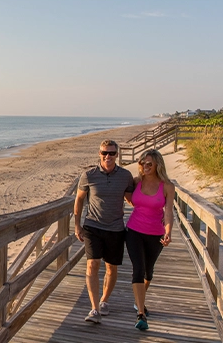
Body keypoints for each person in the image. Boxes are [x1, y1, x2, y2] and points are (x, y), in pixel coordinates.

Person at [74, 139, 135, 324]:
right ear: (99, 154)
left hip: (116, 228)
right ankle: (94, 309)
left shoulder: (125, 176)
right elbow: (78, 200)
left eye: (111, 153)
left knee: (111, 267)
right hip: (93, 226)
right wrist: (77, 224)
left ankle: (104, 301)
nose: (107, 156)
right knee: (92, 264)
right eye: (104, 153)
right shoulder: (89, 175)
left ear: (117, 155)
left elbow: (133, 200)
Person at [125, 149, 174, 330]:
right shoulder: (137, 181)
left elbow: (168, 212)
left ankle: (139, 300)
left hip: (156, 234)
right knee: (138, 269)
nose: (145, 167)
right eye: (143, 163)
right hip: (133, 230)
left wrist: (168, 231)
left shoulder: (167, 186)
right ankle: (141, 314)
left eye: (149, 164)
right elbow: (126, 195)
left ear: (157, 165)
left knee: (148, 272)